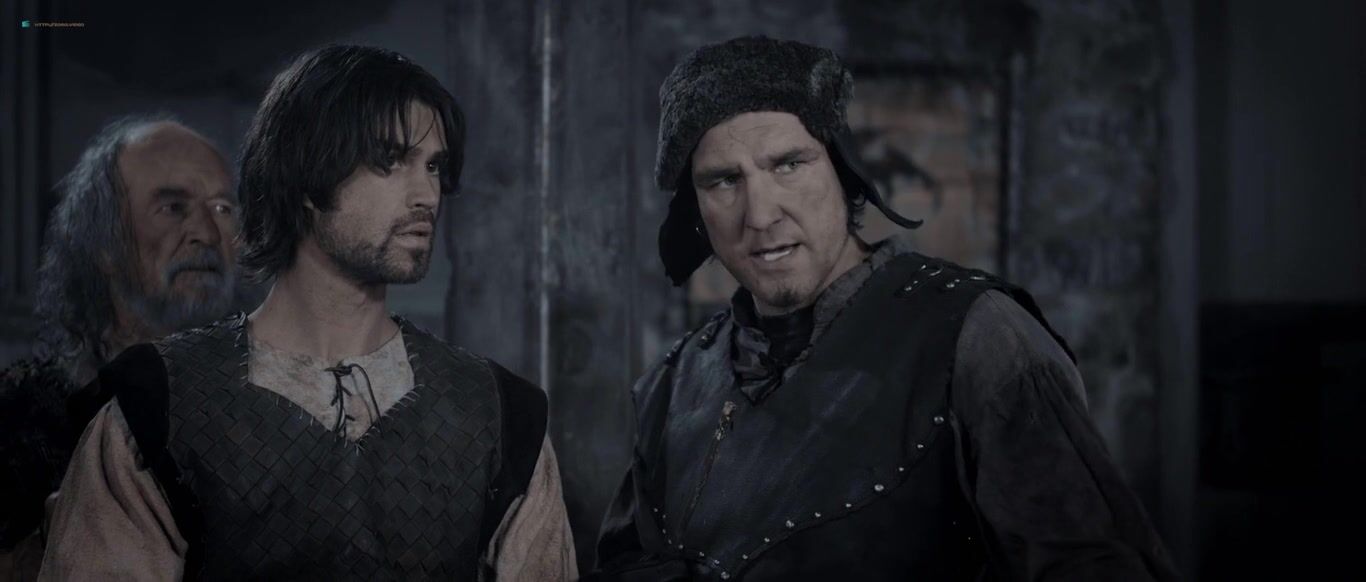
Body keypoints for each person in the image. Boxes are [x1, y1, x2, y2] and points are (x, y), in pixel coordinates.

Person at [593, 36, 1177, 580]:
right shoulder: (674, 386)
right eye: (724, 181)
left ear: (843, 171)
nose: (761, 214)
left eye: (789, 164)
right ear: (696, 211)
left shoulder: (980, 337)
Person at [40, 45, 576, 581]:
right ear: (306, 181)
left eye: (433, 166)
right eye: (390, 161)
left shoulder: (501, 418)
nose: (427, 196)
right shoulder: (155, 410)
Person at [0, 116, 238, 580]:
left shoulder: (266, 408)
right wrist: (48, 547)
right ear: (105, 242)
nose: (208, 233)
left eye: (223, 208)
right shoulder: (16, 420)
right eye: (173, 207)